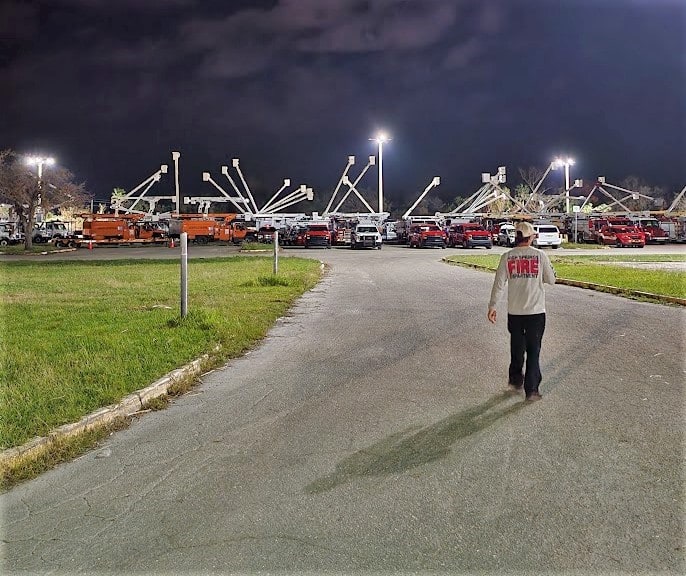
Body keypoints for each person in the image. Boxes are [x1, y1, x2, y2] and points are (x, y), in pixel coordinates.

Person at [487, 221, 556, 401]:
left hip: (515, 312)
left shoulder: (507, 257)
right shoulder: (540, 256)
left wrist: (493, 306)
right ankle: (532, 390)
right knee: (534, 350)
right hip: (535, 312)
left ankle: (516, 379)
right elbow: (551, 279)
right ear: (531, 237)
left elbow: (499, 284)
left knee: (517, 347)